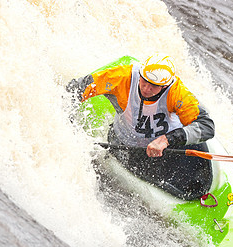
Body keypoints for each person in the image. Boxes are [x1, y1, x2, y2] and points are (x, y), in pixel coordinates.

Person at [66, 54, 215, 200]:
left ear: (165, 85)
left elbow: (206, 126)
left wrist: (166, 140)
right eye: (144, 81)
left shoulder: (177, 92)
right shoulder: (121, 76)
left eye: (154, 86)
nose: (146, 88)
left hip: (168, 147)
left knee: (197, 184)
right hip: (128, 147)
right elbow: (73, 90)